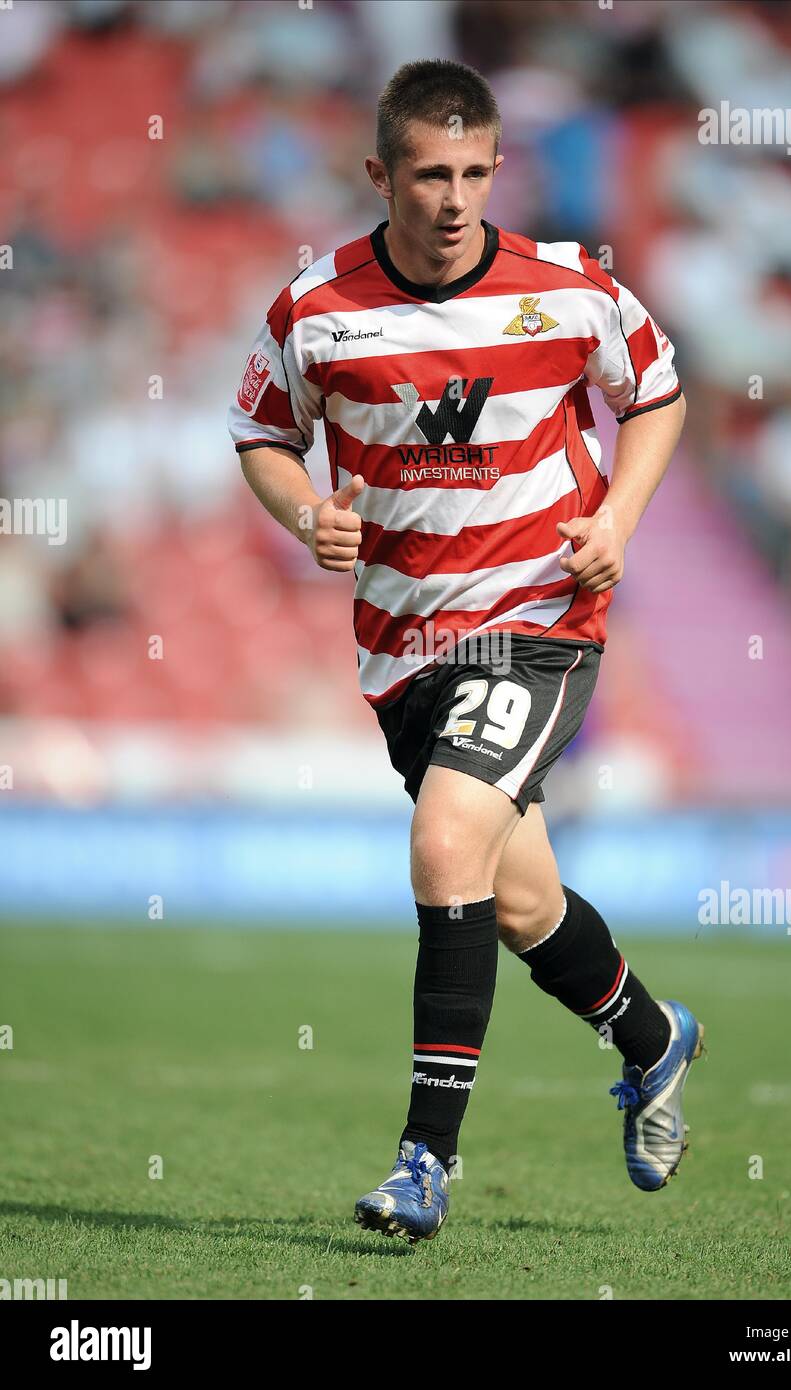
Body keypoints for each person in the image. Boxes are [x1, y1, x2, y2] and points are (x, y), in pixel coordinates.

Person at [228, 58, 703, 1245]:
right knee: (517, 898)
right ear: (379, 171)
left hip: (538, 620)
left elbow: (655, 392)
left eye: (475, 173)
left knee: (444, 843)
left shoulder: (569, 289)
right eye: (430, 174)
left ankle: (422, 1162)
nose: (453, 198)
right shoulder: (316, 307)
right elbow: (259, 432)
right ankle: (653, 1039)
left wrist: (617, 520)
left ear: (496, 170)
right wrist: (305, 516)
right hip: (402, 649)